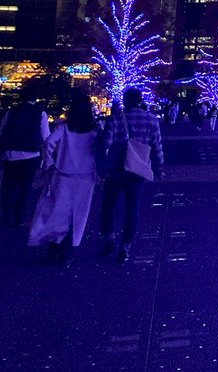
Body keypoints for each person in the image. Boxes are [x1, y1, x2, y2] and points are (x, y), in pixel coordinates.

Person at [28, 90, 97, 263]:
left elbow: (49, 142)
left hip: (63, 175)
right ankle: (68, 249)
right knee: (79, 213)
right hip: (86, 177)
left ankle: (54, 248)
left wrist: (49, 162)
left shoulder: (65, 128)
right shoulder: (94, 130)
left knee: (58, 211)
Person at [98, 87, 164, 261]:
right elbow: (156, 146)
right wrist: (159, 168)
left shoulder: (116, 118)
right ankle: (125, 247)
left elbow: (106, 142)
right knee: (132, 209)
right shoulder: (151, 120)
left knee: (108, 206)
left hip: (115, 168)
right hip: (137, 169)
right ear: (140, 100)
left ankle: (110, 238)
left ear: (125, 100)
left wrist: (102, 167)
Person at [0, 86, 49, 227]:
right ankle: (19, 219)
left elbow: (2, 131)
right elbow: (46, 137)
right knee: (24, 189)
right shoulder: (40, 113)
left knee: (8, 187)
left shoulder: (11, 112)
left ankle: (6, 216)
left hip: (10, 154)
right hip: (31, 155)